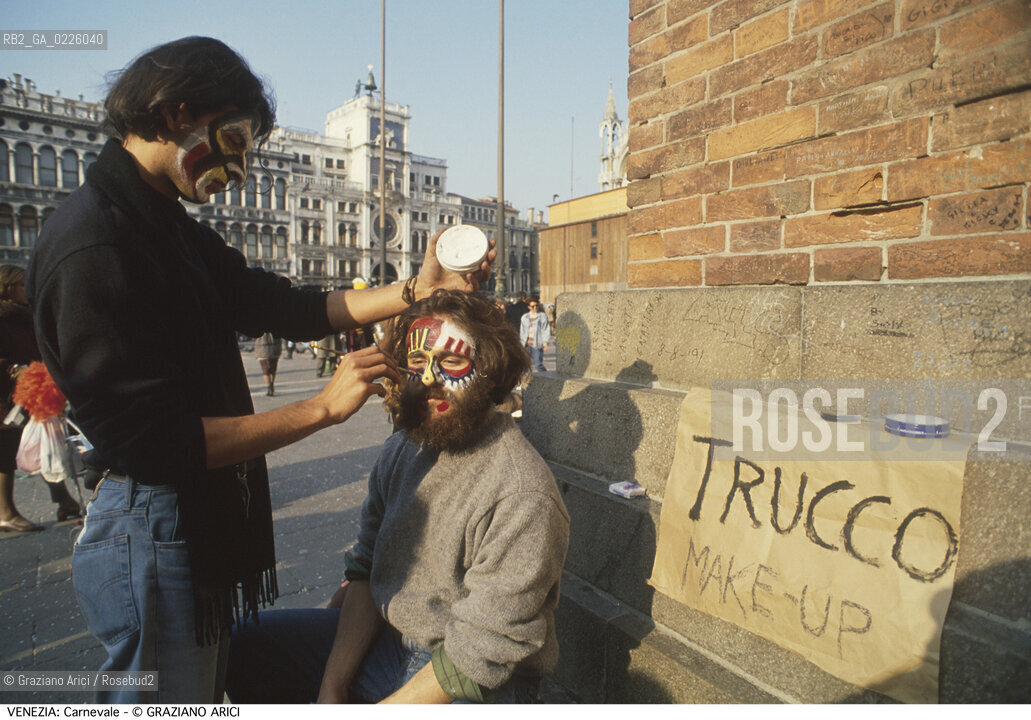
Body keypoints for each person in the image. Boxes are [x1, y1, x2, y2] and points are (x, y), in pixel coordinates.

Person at [26, 37, 493, 704]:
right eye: (235, 141)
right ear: (174, 112)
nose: (240, 170)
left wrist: (418, 290)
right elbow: (155, 443)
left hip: (181, 523)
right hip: (151, 527)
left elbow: (283, 305)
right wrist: (320, 409)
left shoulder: (162, 224)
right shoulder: (98, 242)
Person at [225, 290, 569, 704]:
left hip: (471, 679)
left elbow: (482, 651)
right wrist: (331, 686)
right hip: (390, 642)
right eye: (418, 362)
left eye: (452, 362)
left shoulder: (522, 492)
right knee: (247, 646)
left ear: (492, 372)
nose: (427, 380)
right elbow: (369, 569)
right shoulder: (403, 448)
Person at [0, 265, 81, 532]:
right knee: (7, 448)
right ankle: (5, 512)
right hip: (7, 391)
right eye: (23, 284)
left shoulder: (24, 314)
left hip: (33, 388)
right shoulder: (3, 315)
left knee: (45, 442)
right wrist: (12, 369)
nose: (28, 289)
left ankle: (65, 500)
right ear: (9, 286)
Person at [520, 298, 551, 373]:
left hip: (537, 343)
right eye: (533, 306)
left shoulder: (542, 316)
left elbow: (546, 330)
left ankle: (545, 377)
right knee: (524, 365)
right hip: (526, 344)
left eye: (536, 305)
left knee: (538, 364)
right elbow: (522, 331)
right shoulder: (525, 317)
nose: (535, 308)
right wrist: (521, 343)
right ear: (529, 307)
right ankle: (524, 382)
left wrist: (545, 343)